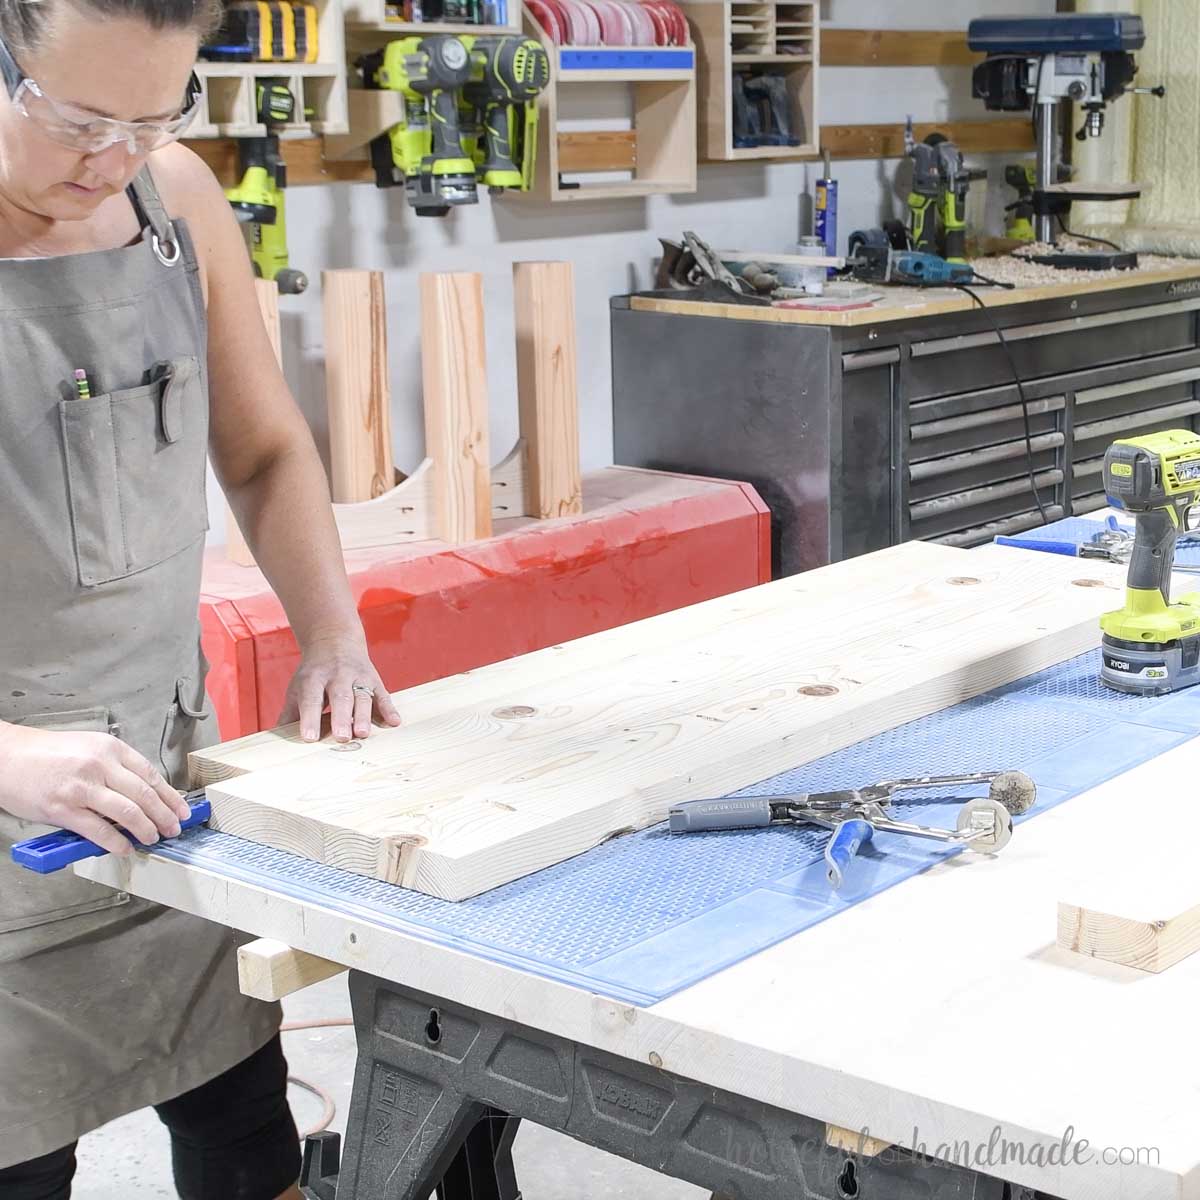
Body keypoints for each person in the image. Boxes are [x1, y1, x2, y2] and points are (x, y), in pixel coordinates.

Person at [0, 0, 403, 1194]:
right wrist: (10, 758)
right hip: (11, 823)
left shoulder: (171, 203)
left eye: (151, 115)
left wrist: (332, 634)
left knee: (240, 1128)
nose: (111, 159)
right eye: (77, 118)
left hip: (162, 785)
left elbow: (266, 451)